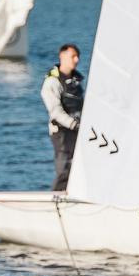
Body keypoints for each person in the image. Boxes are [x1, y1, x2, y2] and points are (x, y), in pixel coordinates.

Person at [41, 43, 84, 192]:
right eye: (73, 56)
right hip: (61, 133)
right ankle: (56, 200)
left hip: (77, 131)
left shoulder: (75, 81)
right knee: (64, 168)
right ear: (62, 57)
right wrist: (73, 124)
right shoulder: (52, 82)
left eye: (78, 56)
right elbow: (55, 111)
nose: (76, 60)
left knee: (79, 168)